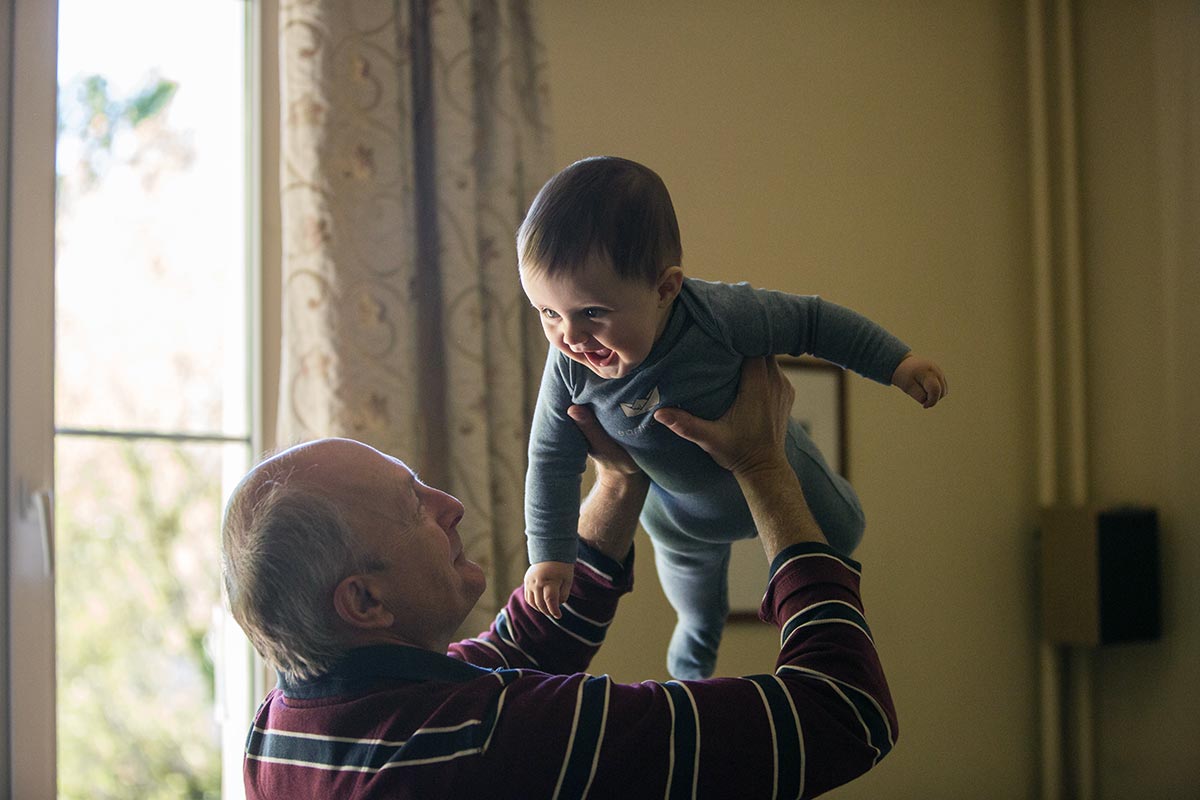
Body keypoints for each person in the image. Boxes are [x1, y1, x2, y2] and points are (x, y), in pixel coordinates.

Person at [222, 357, 898, 799]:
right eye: (414, 506)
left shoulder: (280, 733)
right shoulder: (496, 740)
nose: (450, 506)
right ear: (365, 600)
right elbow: (843, 713)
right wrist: (763, 466)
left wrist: (619, 480)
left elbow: (518, 647)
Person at [519, 155, 947, 678]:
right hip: (679, 520)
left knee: (844, 532)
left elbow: (813, 322)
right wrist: (550, 555)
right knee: (698, 612)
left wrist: (897, 363)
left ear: (665, 289)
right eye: (547, 313)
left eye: (592, 313)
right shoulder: (568, 368)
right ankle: (691, 675)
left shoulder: (720, 315)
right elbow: (550, 460)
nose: (570, 337)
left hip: (780, 467)